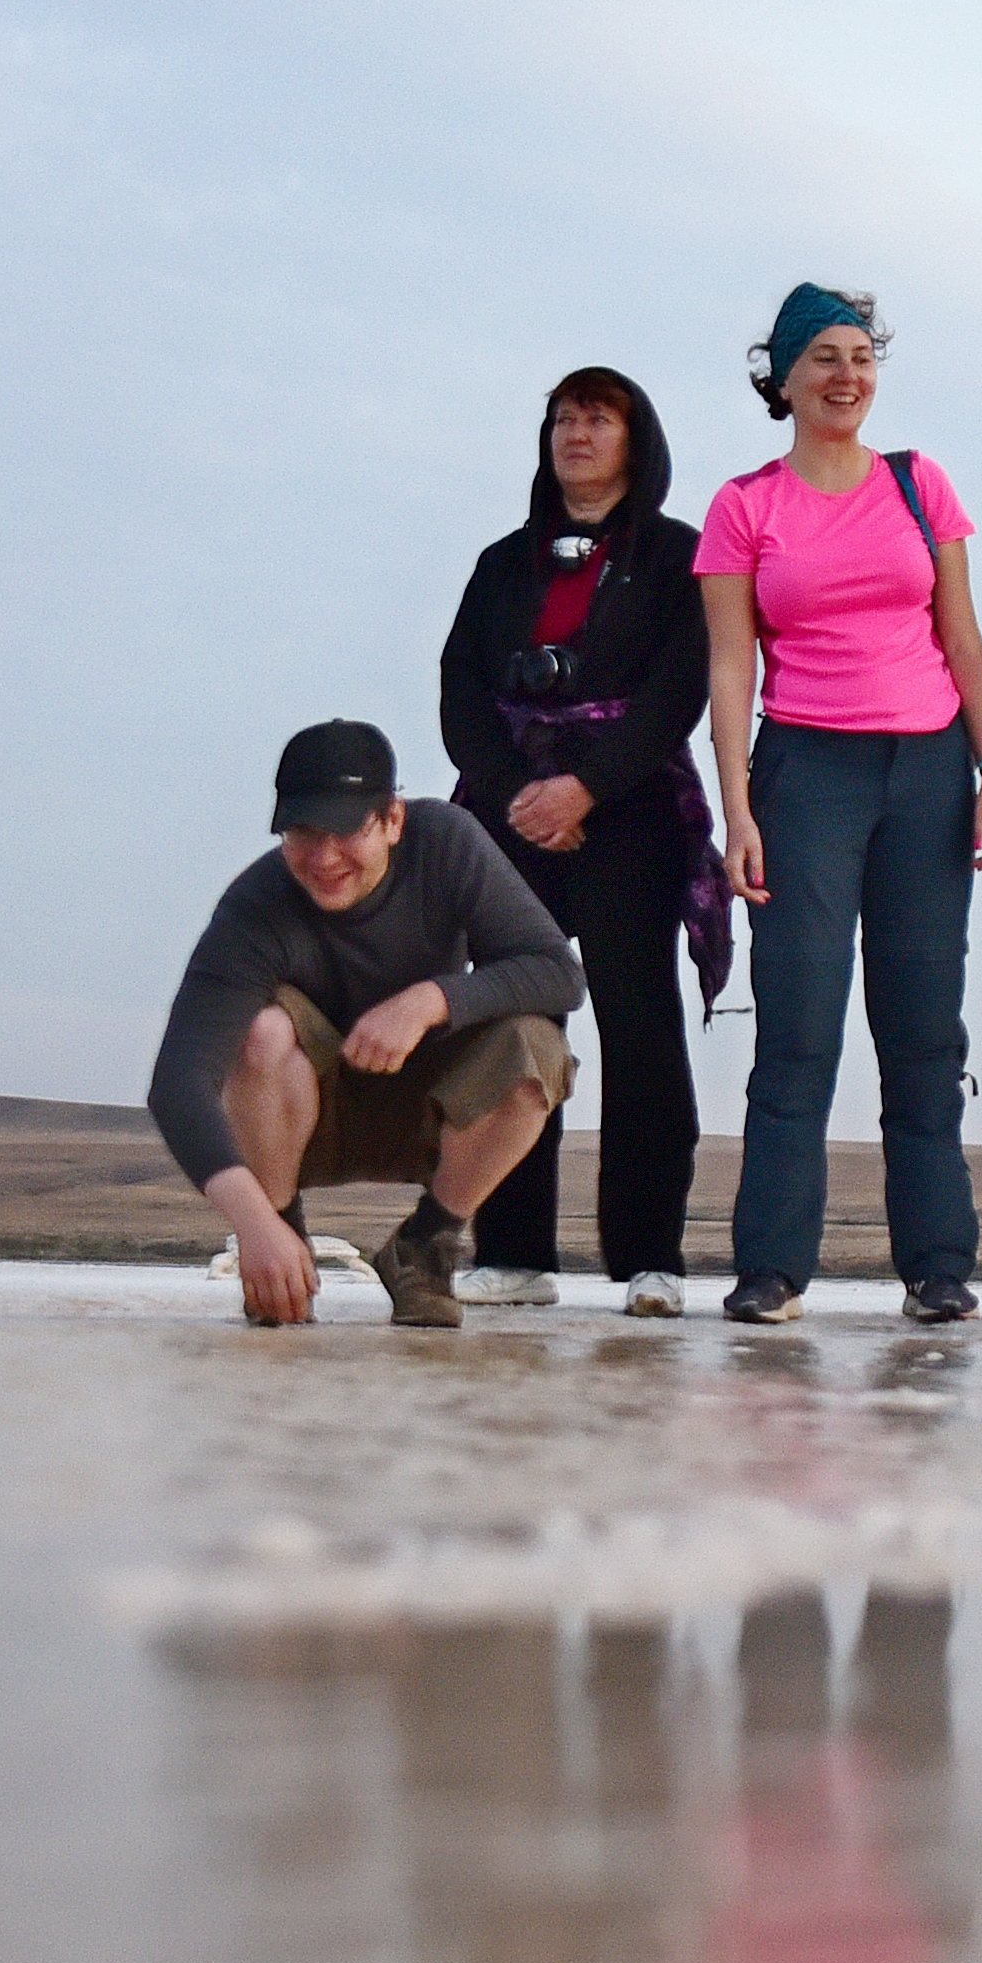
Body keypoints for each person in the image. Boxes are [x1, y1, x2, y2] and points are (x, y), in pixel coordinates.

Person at [697, 284, 982, 1326]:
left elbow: (961, 636)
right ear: (781, 378)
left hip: (926, 773)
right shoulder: (746, 505)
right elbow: (732, 667)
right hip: (803, 776)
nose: (846, 374)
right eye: (822, 357)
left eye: (861, 355)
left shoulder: (922, 485)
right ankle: (772, 1268)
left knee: (924, 1024)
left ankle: (937, 1264)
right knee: (798, 1025)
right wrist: (737, 807)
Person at [439, 366, 723, 1317]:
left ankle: (652, 1258)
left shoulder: (680, 556)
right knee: (513, 1024)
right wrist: (521, 793)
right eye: (564, 418)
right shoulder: (499, 563)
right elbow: (461, 689)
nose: (577, 433)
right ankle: (513, 1251)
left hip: (627, 809)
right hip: (509, 817)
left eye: (599, 418)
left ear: (636, 440)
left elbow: (680, 689)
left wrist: (586, 786)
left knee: (641, 1025)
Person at [146, 720, 582, 1329]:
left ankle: (423, 1250)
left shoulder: (447, 844)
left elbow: (558, 974)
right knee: (262, 1033)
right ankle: (284, 1249)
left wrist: (430, 1000)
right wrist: (256, 1225)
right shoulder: (256, 908)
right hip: (307, 1123)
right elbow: (178, 1083)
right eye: (302, 832)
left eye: (347, 830)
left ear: (393, 821)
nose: (324, 858)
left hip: (430, 1113)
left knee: (535, 1047)